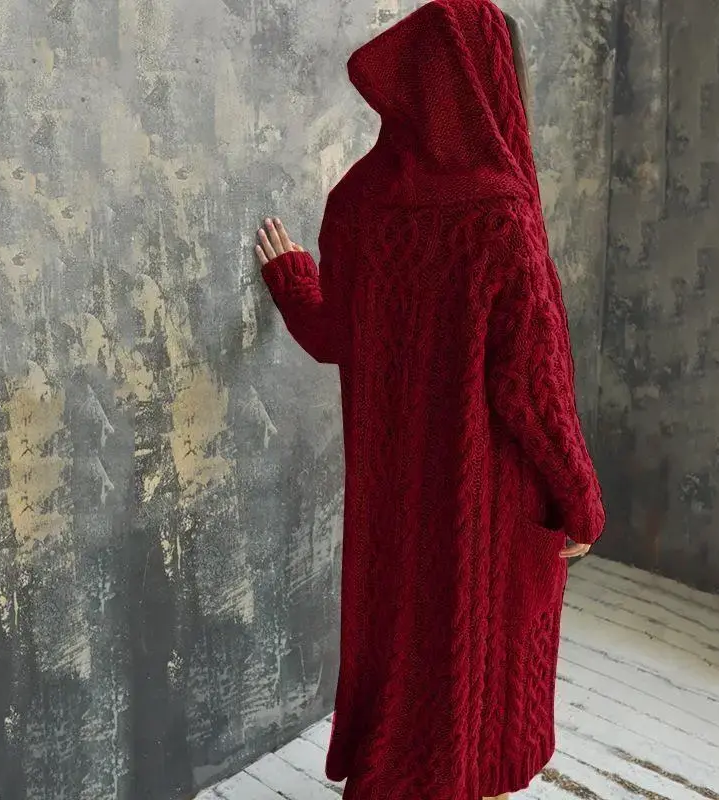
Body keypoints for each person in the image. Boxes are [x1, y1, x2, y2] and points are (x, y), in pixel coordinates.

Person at [254, 1, 605, 798]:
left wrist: (291, 278)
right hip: (490, 501)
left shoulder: (358, 200)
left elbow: (332, 335)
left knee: (407, 641)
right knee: (481, 657)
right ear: (491, 82)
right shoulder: (502, 214)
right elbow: (534, 388)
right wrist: (582, 502)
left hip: (396, 501)